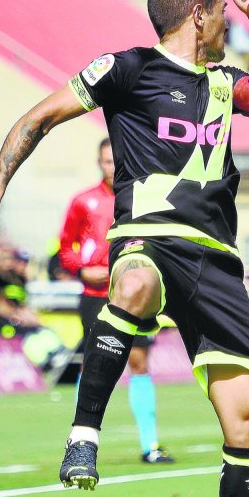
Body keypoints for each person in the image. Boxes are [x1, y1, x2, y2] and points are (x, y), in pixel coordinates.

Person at [0, 0, 249, 497]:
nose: (226, 21)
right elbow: (40, 116)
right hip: (148, 235)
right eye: (222, 10)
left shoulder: (225, 83)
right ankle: (84, 432)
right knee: (135, 285)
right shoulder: (127, 68)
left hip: (216, 262)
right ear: (199, 14)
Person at [59, 138, 172, 464]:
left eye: (116, 160)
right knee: (94, 361)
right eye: (106, 161)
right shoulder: (83, 202)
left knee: (139, 363)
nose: (111, 167)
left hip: (137, 294)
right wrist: (82, 270)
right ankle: (80, 440)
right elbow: (66, 249)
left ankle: (150, 445)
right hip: (96, 295)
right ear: (99, 163)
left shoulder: (143, 198)